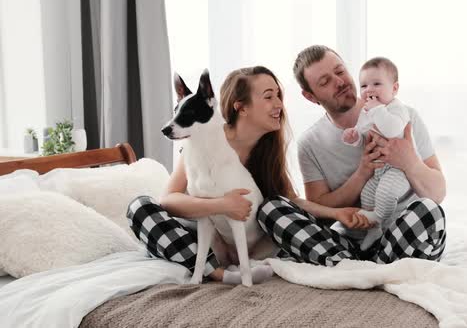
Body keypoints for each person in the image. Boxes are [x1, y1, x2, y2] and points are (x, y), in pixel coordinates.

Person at [126, 66, 370, 284]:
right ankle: (218, 274)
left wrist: (336, 213)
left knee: (274, 206)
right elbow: (169, 200)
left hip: (257, 245)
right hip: (212, 242)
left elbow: (291, 202)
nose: (279, 105)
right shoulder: (202, 141)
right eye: (268, 97)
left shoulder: (269, 149)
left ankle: (347, 262)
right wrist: (222, 205)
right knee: (140, 207)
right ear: (241, 107)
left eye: (278, 96)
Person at [256, 45, 447, 265]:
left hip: (403, 235)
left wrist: (409, 161)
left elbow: (438, 193)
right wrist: (362, 172)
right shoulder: (310, 143)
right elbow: (321, 211)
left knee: (430, 212)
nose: (339, 82)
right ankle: (367, 268)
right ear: (310, 96)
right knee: (271, 208)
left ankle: (353, 269)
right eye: (325, 81)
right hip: (349, 243)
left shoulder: (402, 116)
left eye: (340, 71)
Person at [336, 56, 419, 250]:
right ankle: (375, 229)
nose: (369, 90)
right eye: (364, 86)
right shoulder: (369, 110)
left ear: (394, 88)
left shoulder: (398, 109)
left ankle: (382, 220)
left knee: (386, 192)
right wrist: (354, 136)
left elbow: (391, 129)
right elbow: (363, 130)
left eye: (376, 84)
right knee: (367, 194)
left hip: (400, 170)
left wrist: (377, 110)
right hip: (380, 170)